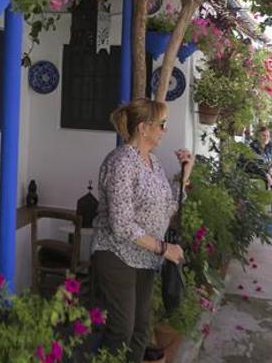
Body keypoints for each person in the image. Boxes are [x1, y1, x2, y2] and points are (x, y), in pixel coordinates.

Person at [91, 98, 193, 362]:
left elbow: (168, 208)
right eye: (162, 124)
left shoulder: (153, 162)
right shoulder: (121, 162)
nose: (165, 130)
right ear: (143, 128)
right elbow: (122, 224)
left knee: (140, 328)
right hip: (117, 255)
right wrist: (163, 248)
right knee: (121, 329)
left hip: (145, 258)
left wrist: (186, 176)